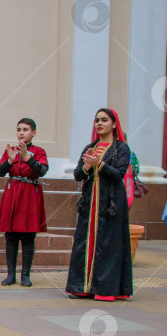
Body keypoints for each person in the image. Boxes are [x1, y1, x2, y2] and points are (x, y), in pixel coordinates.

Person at [66, 108, 133, 301]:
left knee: (109, 243)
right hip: (90, 201)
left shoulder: (121, 147)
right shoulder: (90, 147)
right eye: (97, 120)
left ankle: (106, 289)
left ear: (114, 124)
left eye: (104, 120)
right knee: (84, 242)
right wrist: (87, 166)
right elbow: (78, 175)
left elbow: (119, 174)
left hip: (111, 202)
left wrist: (99, 164)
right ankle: (82, 287)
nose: (99, 123)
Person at [0, 118, 48, 287]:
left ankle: (26, 275)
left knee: (28, 236)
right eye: (19, 129)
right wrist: (9, 160)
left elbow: (43, 171)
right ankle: (11, 274)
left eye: (25, 129)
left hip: (29, 195)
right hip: (12, 193)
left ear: (33, 133)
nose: (21, 132)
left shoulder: (39, 151)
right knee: (10, 235)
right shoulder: (11, 150)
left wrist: (27, 158)